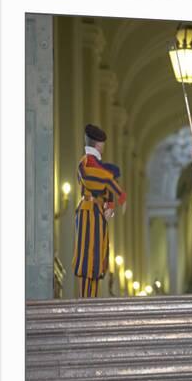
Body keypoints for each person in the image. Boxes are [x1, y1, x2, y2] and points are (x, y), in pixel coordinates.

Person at [72, 124, 127, 298]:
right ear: (98, 145)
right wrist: (117, 190)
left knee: (97, 257)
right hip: (88, 212)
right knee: (87, 259)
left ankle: (91, 300)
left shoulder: (97, 165)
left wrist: (110, 204)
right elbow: (96, 179)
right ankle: (86, 302)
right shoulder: (86, 162)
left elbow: (105, 185)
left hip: (97, 214)